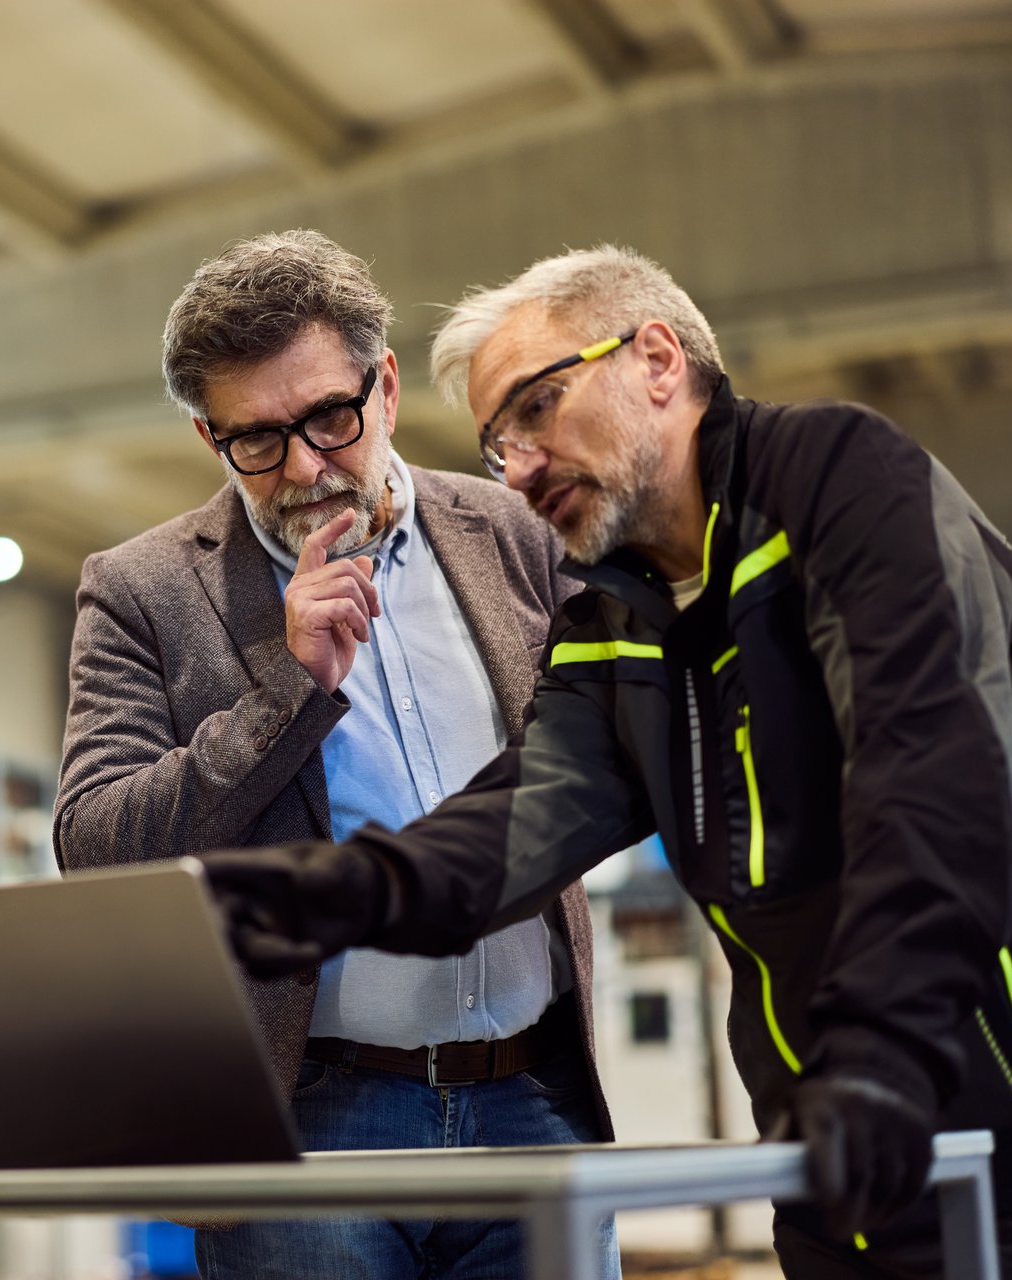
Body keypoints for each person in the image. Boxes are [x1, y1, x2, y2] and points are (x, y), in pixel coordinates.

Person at [200, 244, 1012, 1279]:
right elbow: (504, 833)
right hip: (843, 1173)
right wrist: (296, 896)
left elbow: (934, 778)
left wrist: (879, 1052)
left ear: (657, 359)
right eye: (499, 443)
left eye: (537, 406)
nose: (521, 464)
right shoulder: (614, 619)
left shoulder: (846, 486)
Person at [54, 229, 620, 1280]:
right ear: (206, 433)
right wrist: (287, 685)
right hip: (312, 1119)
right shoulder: (143, 591)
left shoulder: (513, 532)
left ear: (387, 385)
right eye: (257, 439)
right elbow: (95, 845)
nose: (307, 465)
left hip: (534, 1099)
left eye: (329, 417)